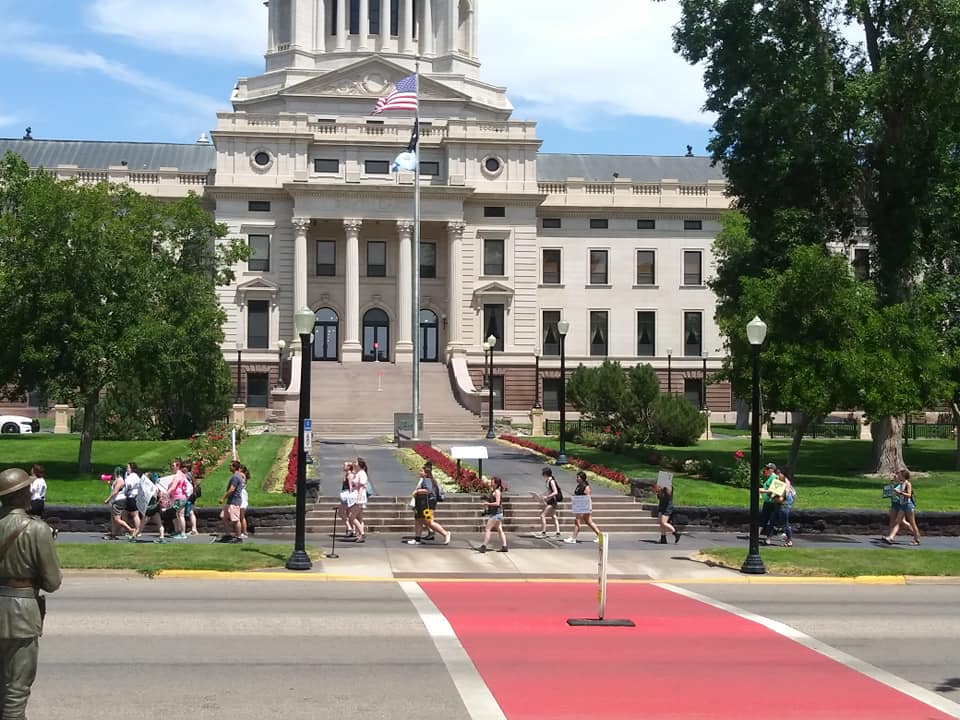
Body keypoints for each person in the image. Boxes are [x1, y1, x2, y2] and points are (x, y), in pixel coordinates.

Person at [0, 467, 62, 720]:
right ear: (24, 494)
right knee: (16, 689)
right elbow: (52, 581)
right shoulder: (37, 530)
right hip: (21, 615)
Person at [407, 468, 451, 545]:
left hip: (427, 504)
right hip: (423, 503)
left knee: (429, 522)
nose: (419, 472)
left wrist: (417, 491)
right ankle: (417, 539)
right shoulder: (426, 479)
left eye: (421, 471)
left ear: (426, 473)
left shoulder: (426, 480)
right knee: (418, 520)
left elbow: (428, 490)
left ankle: (445, 533)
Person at [884, 469, 920, 545]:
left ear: (903, 475)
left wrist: (900, 493)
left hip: (908, 506)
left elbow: (909, 495)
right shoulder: (901, 483)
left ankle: (916, 538)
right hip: (902, 505)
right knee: (897, 521)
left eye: (900, 474)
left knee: (912, 523)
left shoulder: (908, 484)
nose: (898, 475)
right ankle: (891, 537)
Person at [564, 471, 602, 543]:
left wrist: (590, 507)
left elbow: (588, 498)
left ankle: (573, 538)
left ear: (582, 478)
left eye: (578, 477)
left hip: (583, 507)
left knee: (577, 521)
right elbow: (576, 494)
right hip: (578, 505)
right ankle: (600, 536)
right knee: (589, 522)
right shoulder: (578, 486)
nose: (576, 478)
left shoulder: (586, 487)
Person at [103, 466, 135, 540]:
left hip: (119, 501)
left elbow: (115, 491)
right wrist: (110, 483)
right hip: (116, 501)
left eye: (115, 471)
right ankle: (113, 534)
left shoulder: (120, 480)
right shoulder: (117, 480)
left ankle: (130, 530)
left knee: (117, 519)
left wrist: (107, 499)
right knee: (113, 519)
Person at [478, 476, 507, 553]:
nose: (491, 483)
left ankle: (484, 546)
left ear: (496, 483)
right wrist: (486, 498)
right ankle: (504, 546)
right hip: (498, 514)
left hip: (496, 514)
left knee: (488, 529)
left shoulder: (497, 491)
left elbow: (497, 503)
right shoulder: (494, 491)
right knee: (499, 529)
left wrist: (488, 503)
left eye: (492, 482)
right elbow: (493, 500)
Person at [217, 461, 244, 543]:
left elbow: (232, 489)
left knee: (235, 520)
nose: (229, 467)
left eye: (230, 466)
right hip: (230, 501)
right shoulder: (236, 476)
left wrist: (223, 498)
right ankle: (228, 534)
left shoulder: (236, 477)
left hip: (234, 501)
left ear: (234, 467)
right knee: (224, 517)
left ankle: (239, 537)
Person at [534, 467, 562, 539]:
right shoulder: (548, 481)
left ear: (546, 474)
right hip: (551, 500)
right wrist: (542, 495)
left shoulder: (551, 481)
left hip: (552, 501)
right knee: (553, 516)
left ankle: (543, 532)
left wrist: (547, 496)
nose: (543, 475)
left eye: (543, 474)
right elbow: (549, 490)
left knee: (542, 515)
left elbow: (555, 492)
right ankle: (558, 532)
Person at [167, 460, 189, 540]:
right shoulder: (181, 475)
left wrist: (166, 493)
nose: (172, 467)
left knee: (180, 515)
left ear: (177, 466)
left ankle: (183, 533)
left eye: (173, 466)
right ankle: (180, 531)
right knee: (178, 515)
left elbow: (173, 486)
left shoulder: (178, 476)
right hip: (180, 497)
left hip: (179, 497)